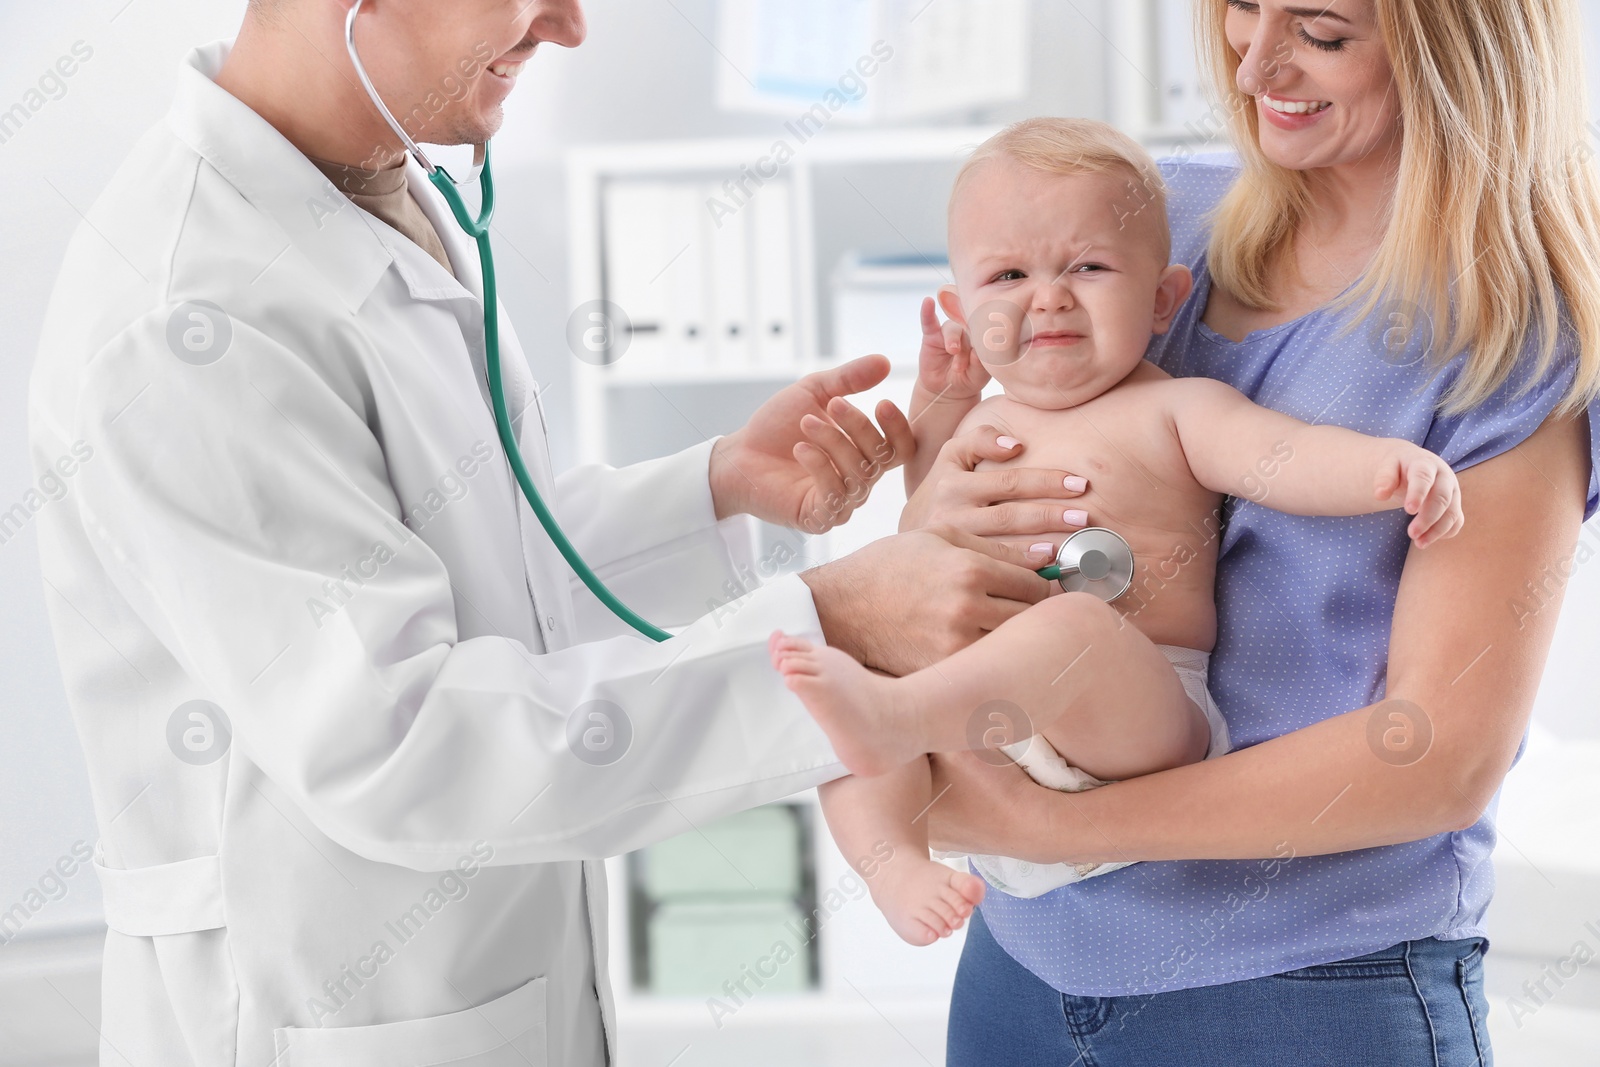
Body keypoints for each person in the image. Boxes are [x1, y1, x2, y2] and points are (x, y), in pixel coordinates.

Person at [26, 2, 1074, 1063]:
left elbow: (459, 561)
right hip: (325, 1006)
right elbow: (403, 744)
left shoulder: (382, 189)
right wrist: (833, 623)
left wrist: (713, 488)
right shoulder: (191, 324)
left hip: (478, 978)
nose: (568, 27)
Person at [898, 1, 1600, 1064]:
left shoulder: (1507, 333)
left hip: (1306, 992)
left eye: (1319, 30)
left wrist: (1053, 829)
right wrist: (933, 494)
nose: (1254, 60)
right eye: (1240, 8)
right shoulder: (1145, 221)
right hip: (1023, 964)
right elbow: (960, 505)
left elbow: (1441, 754)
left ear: (1459, 46)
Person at [773, 118, 1465, 947]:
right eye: (1008, 275)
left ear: (1164, 297)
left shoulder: (1173, 407)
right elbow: (923, 537)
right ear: (961, 312)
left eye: (1089, 267)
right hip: (977, 738)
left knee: (1069, 627)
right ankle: (892, 862)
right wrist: (940, 411)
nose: (1049, 295)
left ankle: (897, 718)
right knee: (847, 662)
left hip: (1136, 712)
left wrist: (1383, 469)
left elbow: (1279, 456)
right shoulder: (977, 422)